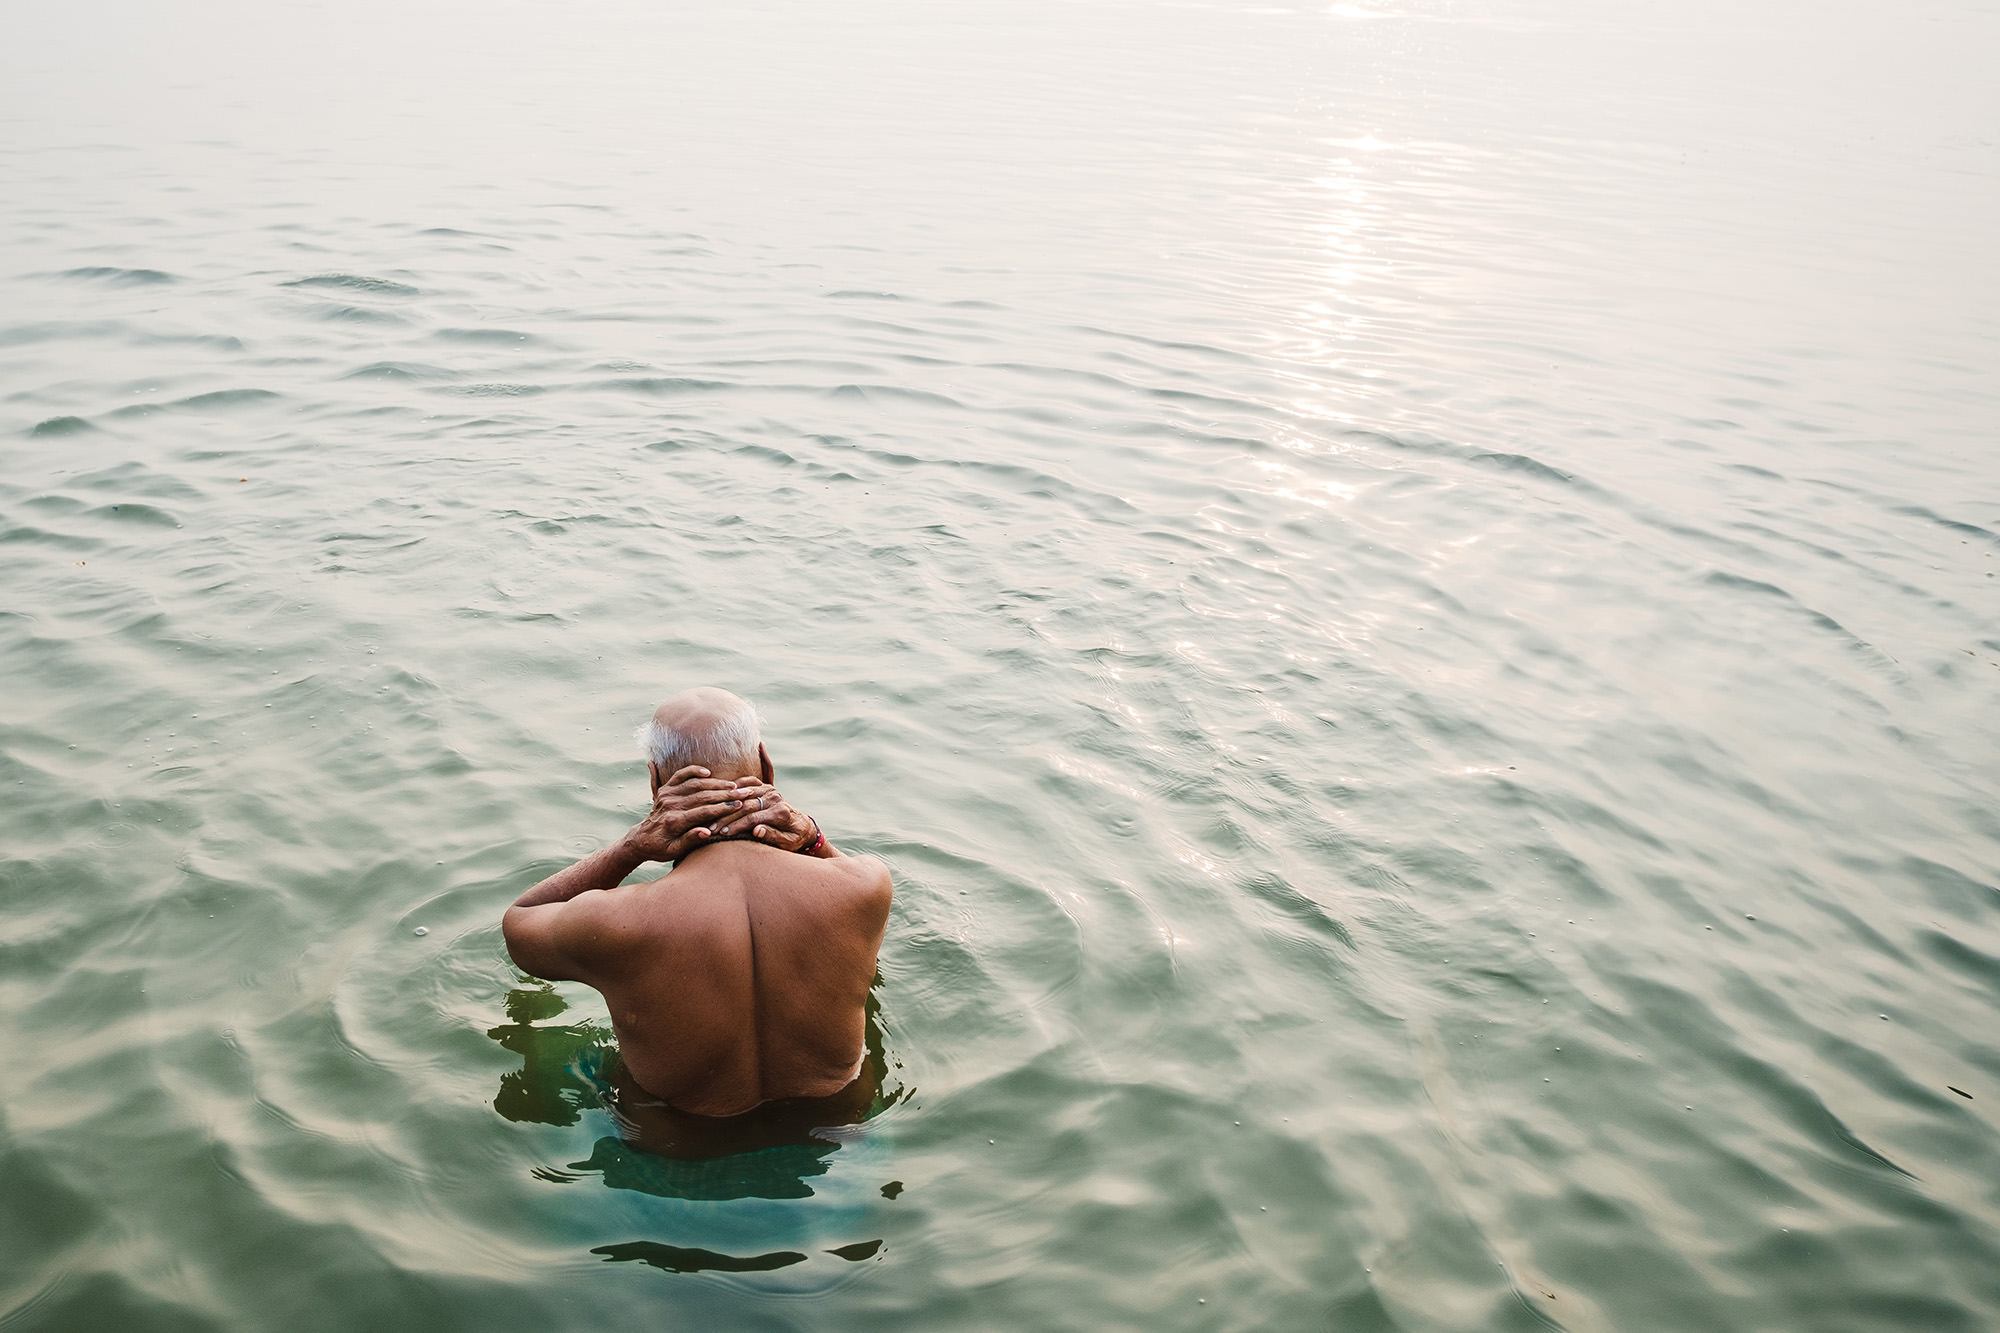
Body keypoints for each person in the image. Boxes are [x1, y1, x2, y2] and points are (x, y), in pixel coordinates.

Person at [502, 688, 893, 1147]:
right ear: (767, 768)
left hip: (680, 1150)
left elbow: (521, 921)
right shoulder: (864, 887)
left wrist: (631, 848)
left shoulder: (615, 923)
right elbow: (840, 874)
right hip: (838, 1134)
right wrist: (813, 838)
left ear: (655, 785)